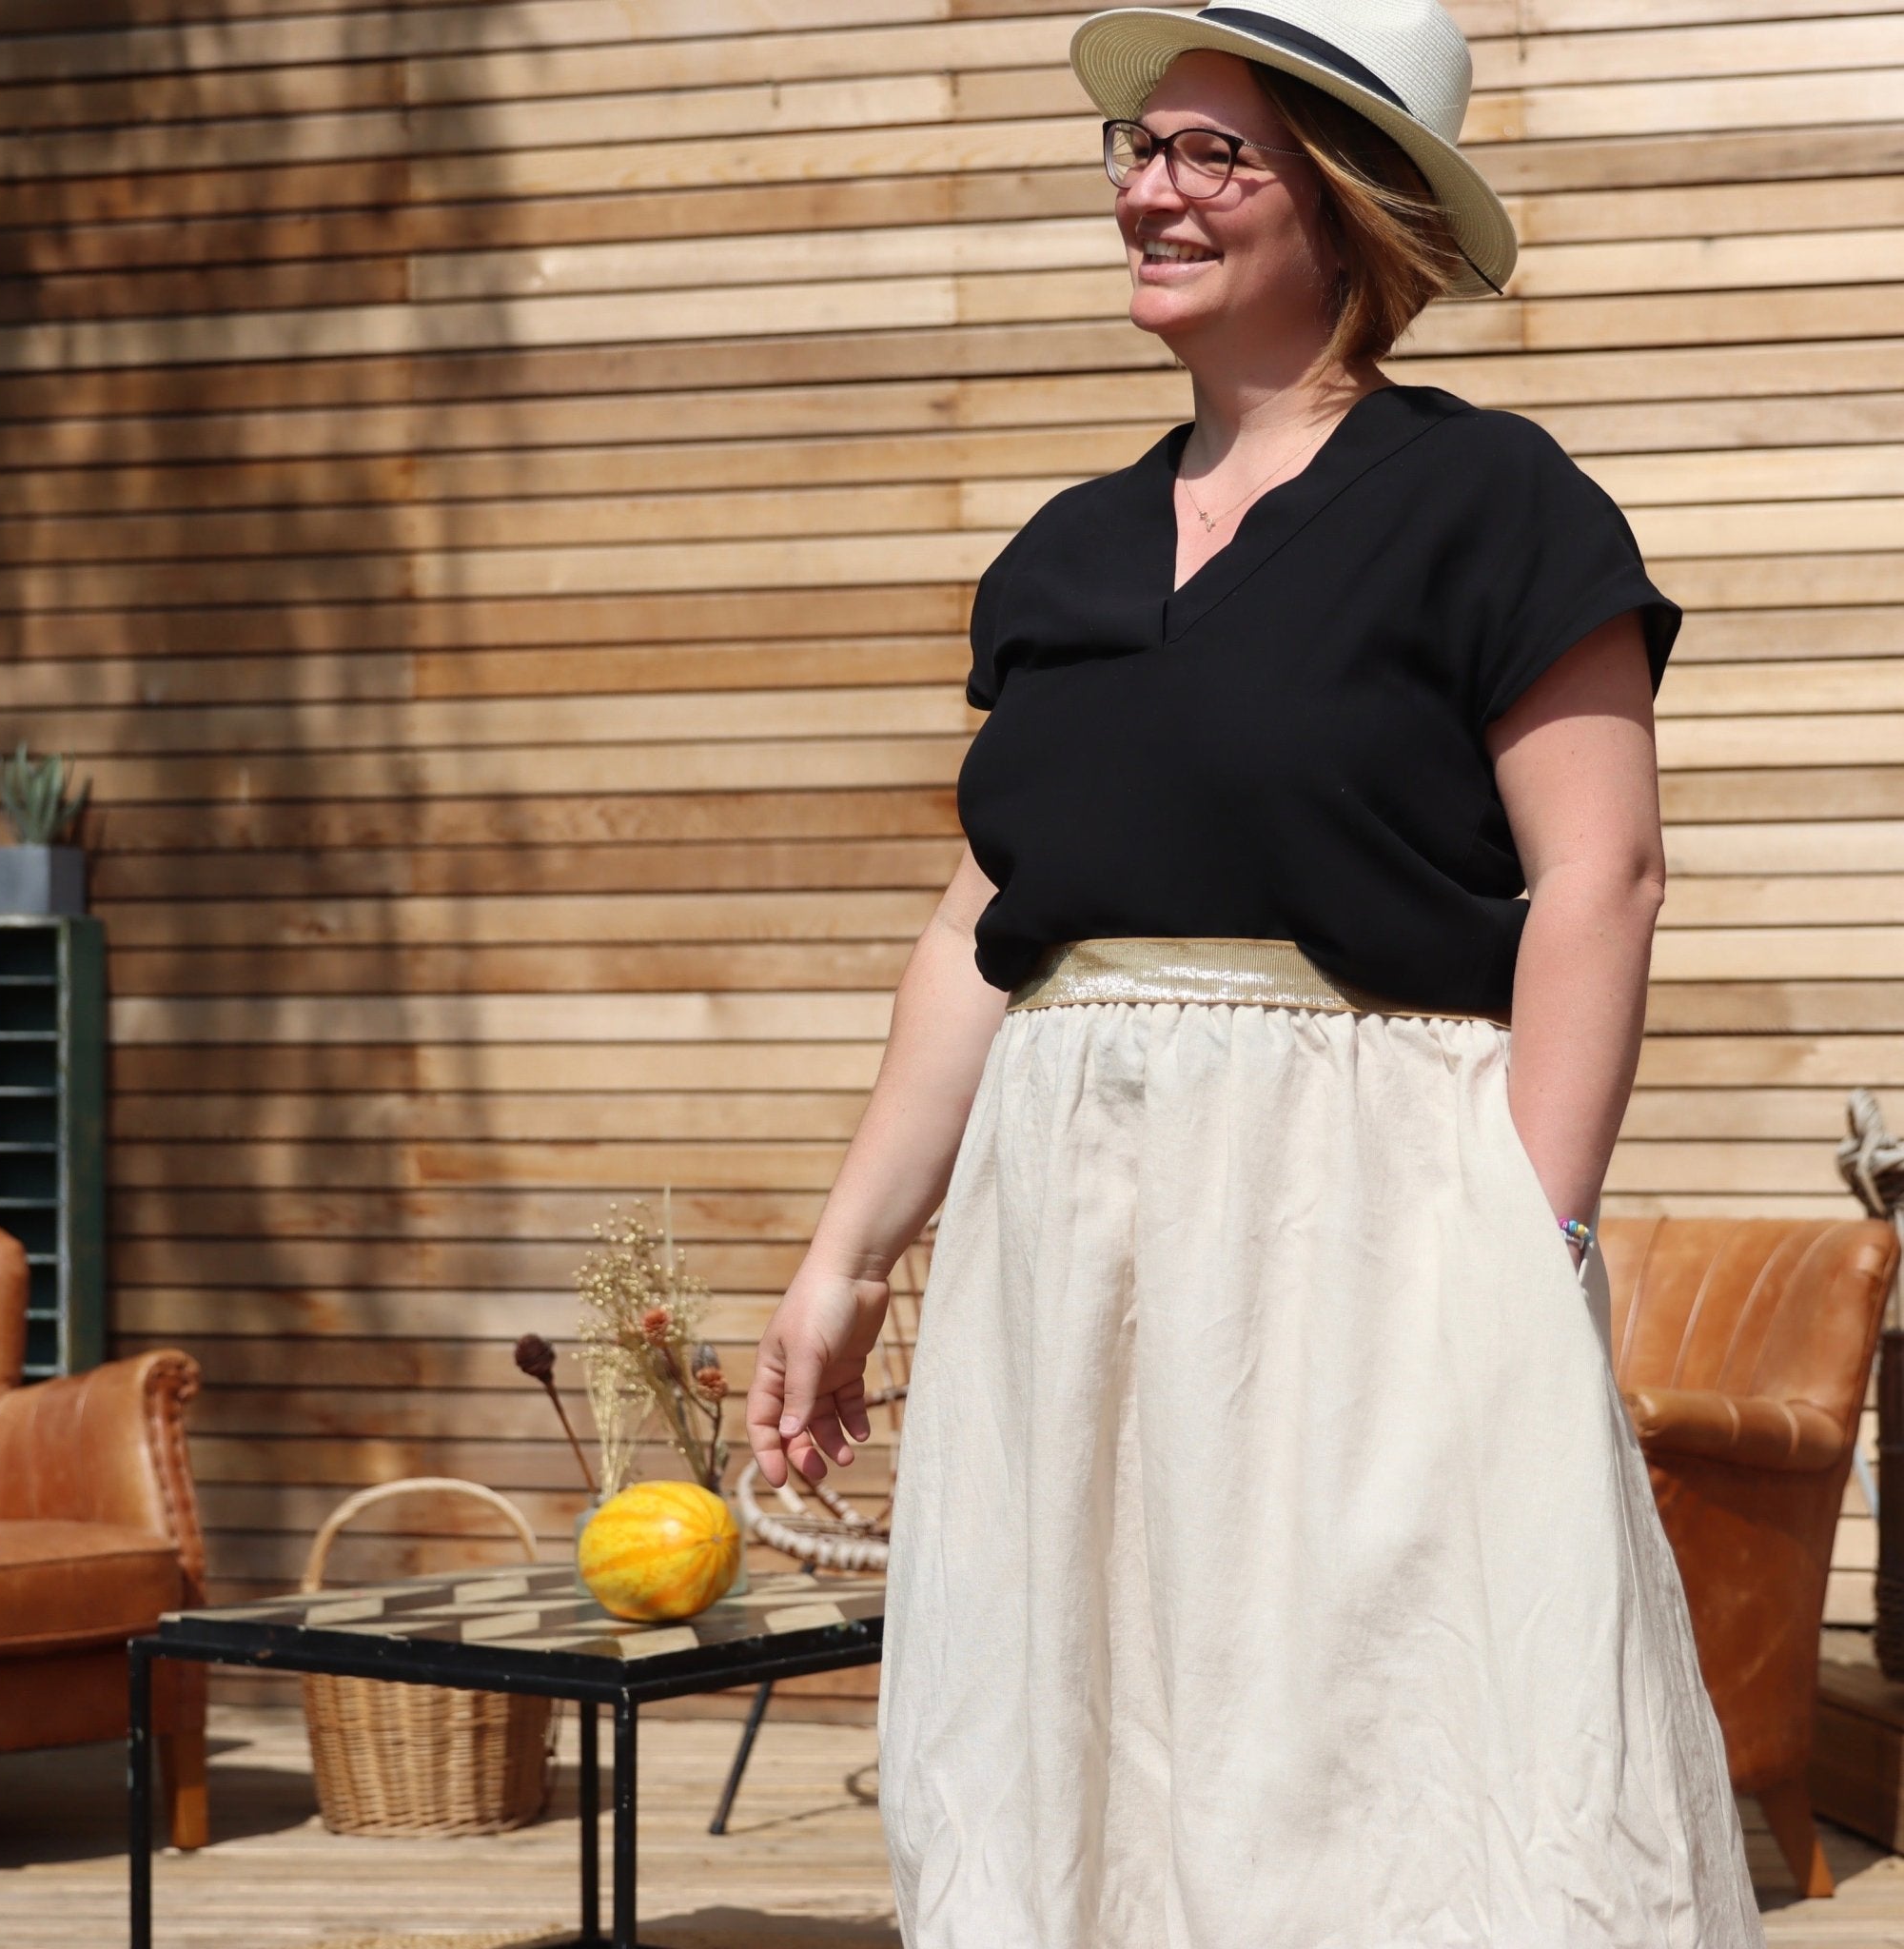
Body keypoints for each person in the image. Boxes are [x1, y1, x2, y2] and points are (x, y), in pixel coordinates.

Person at [745, 4, 1769, 1943]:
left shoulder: (1494, 503)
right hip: (1067, 1228)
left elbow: (1602, 877)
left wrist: (1529, 1233)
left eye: (1211, 153)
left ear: (1350, 199)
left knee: (1368, 1732)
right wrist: (844, 1257)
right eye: (1139, 146)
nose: (1150, 188)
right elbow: (987, 927)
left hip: (1362, 1213)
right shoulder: (1064, 552)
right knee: (1075, 1718)